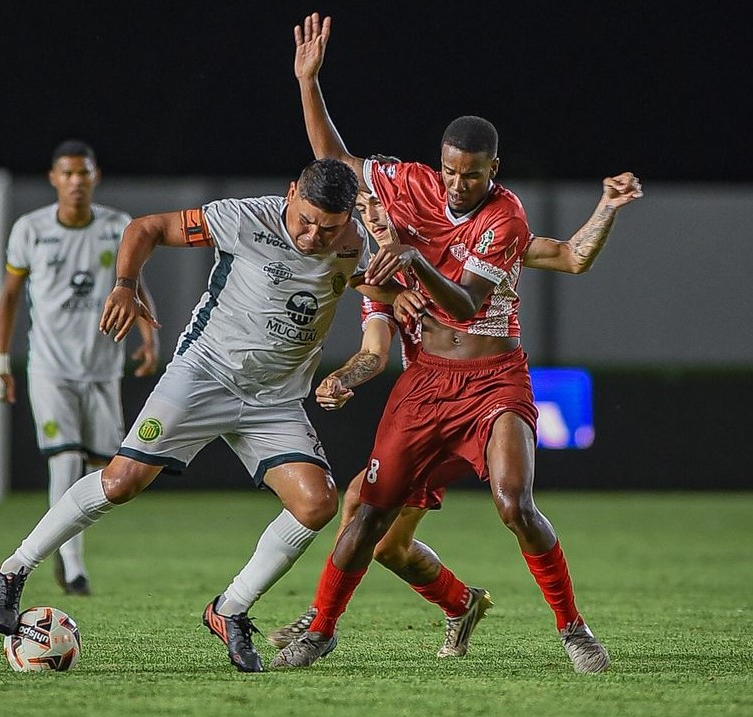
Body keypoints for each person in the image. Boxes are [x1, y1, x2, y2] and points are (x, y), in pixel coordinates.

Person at [271, 13, 643, 673]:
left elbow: (469, 300)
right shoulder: (404, 200)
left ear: (491, 170)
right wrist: (309, 82)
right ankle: (325, 625)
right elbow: (335, 164)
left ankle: (574, 629)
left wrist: (411, 260)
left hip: (495, 379)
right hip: (424, 387)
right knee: (367, 514)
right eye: (448, 171)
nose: (455, 184)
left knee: (513, 501)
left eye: (469, 175)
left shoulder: (505, 217)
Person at [0, 157, 399, 674]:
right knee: (121, 482)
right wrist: (125, 285)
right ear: (290, 193)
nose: (313, 235)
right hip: (203, 374)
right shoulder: (248, 218)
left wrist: (406, 301)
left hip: (274, 399)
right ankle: (13, 570)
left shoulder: (355, 242)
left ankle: (230, 609)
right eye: (306, 220)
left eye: (328, 227)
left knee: (317, 504)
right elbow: (147, 228)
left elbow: (373, 288)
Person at [268, 190, 492, 659]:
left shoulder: (441, 253)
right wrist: (341, 378)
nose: (372, 217)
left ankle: (320, 619)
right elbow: (374, 352)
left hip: (468, 406)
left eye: (379, 205)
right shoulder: (379, 278)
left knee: (359, 501)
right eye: (364, 209)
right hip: (425, 411)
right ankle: (461, 602)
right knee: (390, 548)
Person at [0, 139, 159, 596]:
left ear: (95, 176)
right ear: (53, 179)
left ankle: (70, 555)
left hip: (102, 368)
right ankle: (72, 563)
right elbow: (8, 297)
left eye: (83, 173)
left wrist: (148, 334)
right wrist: (0, 362)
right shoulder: (31, 229)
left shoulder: (117, 226)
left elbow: (133, 283)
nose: (76, 181)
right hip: (49, 368)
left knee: (102, 471)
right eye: (67, 173)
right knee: (64, 459)